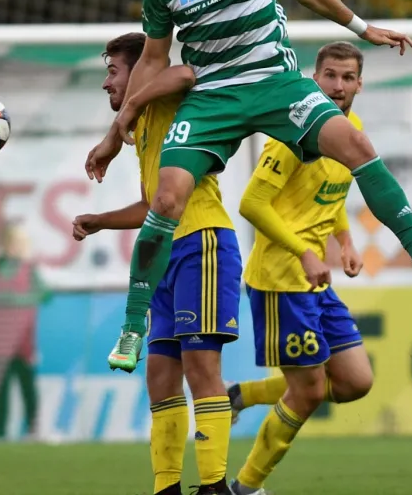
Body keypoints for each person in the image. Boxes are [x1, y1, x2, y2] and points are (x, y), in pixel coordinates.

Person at [85, 0, 412, 374]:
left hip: (276, 85)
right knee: (166, 199)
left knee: (358, 145)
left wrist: (363, 28)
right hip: (212, 99)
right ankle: (132, 328)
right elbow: (152, 58)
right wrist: (114, 133)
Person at [72, 32, 241, 495]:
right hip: (164, 254)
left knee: (201, 367)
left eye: (113, 72)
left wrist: (132, 102)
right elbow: (153, 203)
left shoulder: (164, 103)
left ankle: (213, 487)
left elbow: (186, 72)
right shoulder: (145, 125)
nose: (107, 84)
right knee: (160, 376)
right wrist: (102, 220)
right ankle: (166, 488)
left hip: (201, 244)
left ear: (139, 72)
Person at [221, 42, 373, 495]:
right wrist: (305, 252)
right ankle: (244, 488)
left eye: (347, 78)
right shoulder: (292, 133)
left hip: (314, 282)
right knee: (307, 392)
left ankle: (242, 395)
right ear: (315, 77)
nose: (339, 85)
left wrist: (343, 239)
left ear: (359, 84)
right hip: (279, 281)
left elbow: (330, 190)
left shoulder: (351, 129)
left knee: (354, 381)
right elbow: (251, 203)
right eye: (330, 75)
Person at [0, 220, 52, 441]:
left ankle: (33, 431)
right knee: (1, 392)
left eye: (21, 242)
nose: (17, 247)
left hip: (23, 342)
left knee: (28, 389)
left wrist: (22, 299)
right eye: (13, 242)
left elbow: (45, 294)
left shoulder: (28, 269)